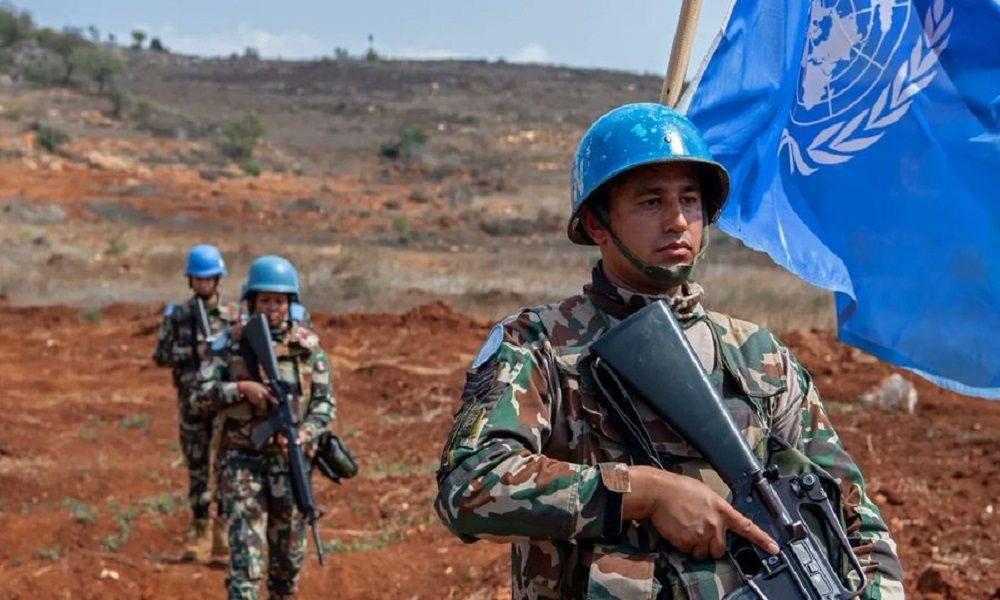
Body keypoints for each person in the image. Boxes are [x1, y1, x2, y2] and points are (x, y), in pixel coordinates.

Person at [434, 103, 904, 599]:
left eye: (689, 200)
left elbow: (851, 515)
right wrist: (641, 493)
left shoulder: (758, 356)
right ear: (596, 224)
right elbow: (469, 485)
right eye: (651, 202)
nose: (678, 221)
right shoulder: (539, 344)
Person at [193, 255, 335, 600]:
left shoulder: (307, 348)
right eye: (265, 300)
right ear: (252, 301)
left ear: (290, 303)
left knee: (287, 567)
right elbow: (199, 395)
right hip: (242, 463)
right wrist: (242, 389)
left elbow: (324, 405)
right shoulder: (230, 344)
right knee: (246, 563)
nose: (273, 308)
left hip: (290, 464)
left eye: (279, 301)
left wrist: (303, 434)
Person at [153, 243, 236, 562]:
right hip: (191, 403)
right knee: (197, 467)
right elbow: (161, 355)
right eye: (199, 279)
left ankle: (223, 530)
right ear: (190, 280)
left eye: (209, 278)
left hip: (223, 403)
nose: (204, 284)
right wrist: (192, 352)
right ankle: (201, 530)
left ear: (218, 279)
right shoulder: (179, 316)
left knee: (226, 465)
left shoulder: (232, 317)